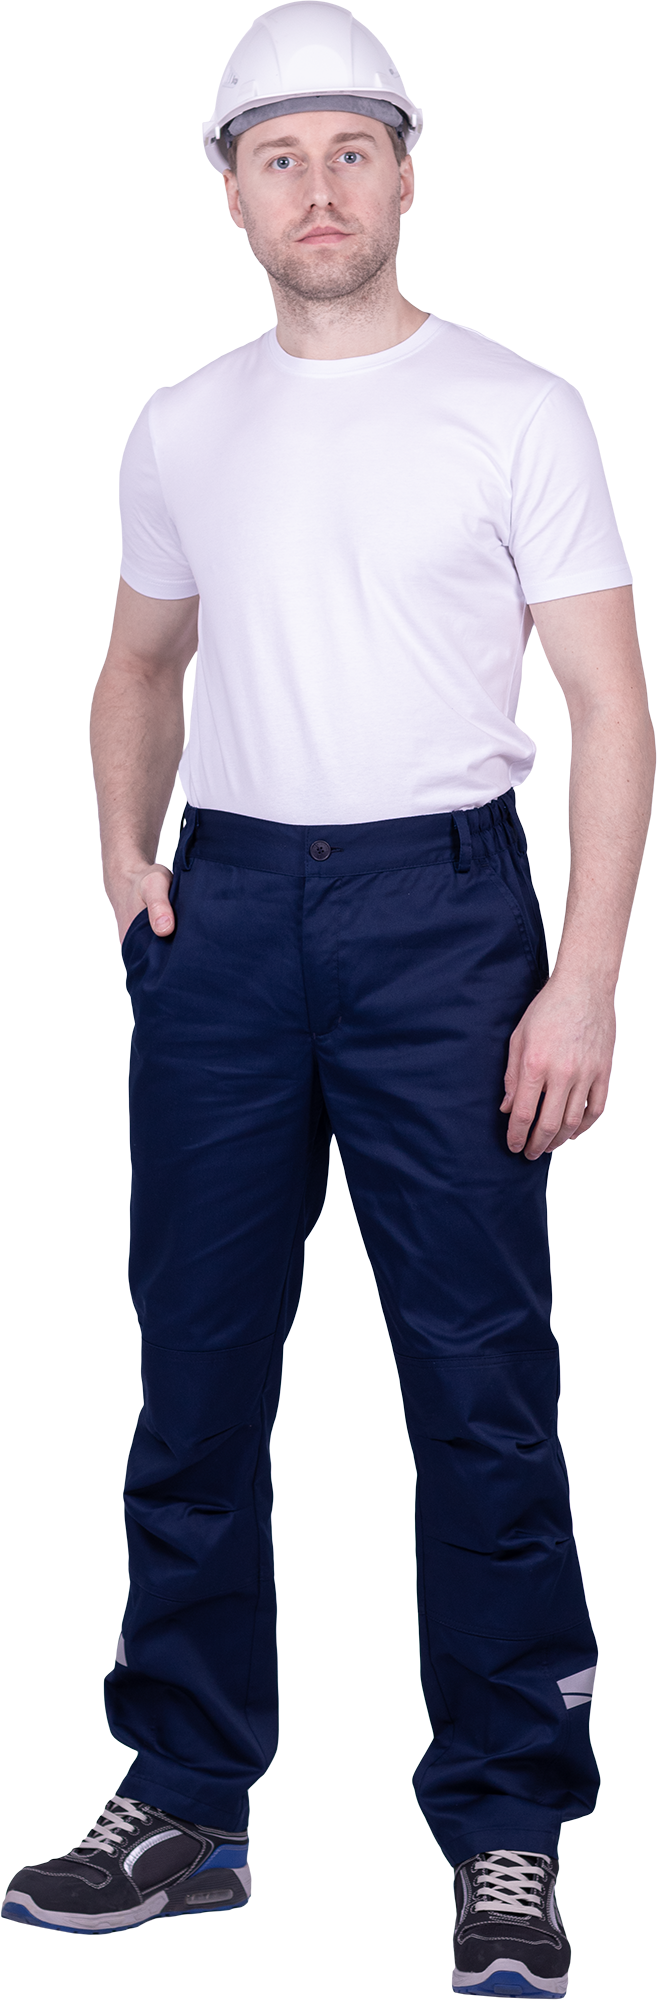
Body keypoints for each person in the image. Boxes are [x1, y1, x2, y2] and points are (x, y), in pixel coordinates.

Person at [3, 4, 653, 1992]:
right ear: (227, 191)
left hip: (442, 922)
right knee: (196, 1373)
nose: (316, 187)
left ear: (403, 172)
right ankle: (187, 1795)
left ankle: (508, 1826)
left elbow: (608, 704)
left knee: (479, 1385)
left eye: (349, 149)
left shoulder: (514, 409)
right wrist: (127, 855)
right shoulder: (188, 424)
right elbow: (140, 664)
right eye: (275, 156)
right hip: (228, 922)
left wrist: (580, 983)